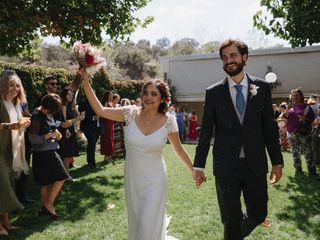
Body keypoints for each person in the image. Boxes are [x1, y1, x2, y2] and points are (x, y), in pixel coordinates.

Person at [79, 70, 194, 240]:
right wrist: (85, 82)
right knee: (137, 222)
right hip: (133, 177)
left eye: (154, 94)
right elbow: (101, 109)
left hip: (156, 179)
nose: (148, 97)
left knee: (148, 223)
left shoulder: (169, 121)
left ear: (162, 99)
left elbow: (178, 149)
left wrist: (194, 170)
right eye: (145, 93)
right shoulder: (130, 113)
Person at [193, 39, 284, 240]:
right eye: (224, 57)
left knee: (259, 213)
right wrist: (198, 166)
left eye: (233, 55)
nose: (229, 60)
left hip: (255, 164)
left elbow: (269, 128)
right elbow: (206, 132)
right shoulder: (213, 92)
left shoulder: (261, 88)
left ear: (245, 57)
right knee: (231, 219)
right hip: (226, 167)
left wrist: (277, 162)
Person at [28, 93, 70, 220]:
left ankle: (43, 210)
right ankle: (49, 204)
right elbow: (33, 139)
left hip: (47, 151)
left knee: (46, 183)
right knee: (62, 176)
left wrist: (57, 135)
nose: (53, 112)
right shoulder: (36, 117)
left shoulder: (45, 114)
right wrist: (50, 135)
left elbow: (53, 132)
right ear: (48, 107)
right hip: (45, 153)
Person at [0, 70, 30, 235]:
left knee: (7, 184)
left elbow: (14, 125)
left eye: (17, 85)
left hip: (8, 151)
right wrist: (10, 126)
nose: (15, 88)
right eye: (11, 84)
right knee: (3, 186)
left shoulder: (15, 105)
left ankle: (6, 223)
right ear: (2, 85)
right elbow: (6, 125)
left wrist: (21, 124)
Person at [283, 89, 317, 176]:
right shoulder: (290, 106)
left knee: (308, 152)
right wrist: (288, 108)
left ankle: (312, 171)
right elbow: (285, 116)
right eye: (293, 95)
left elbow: (312, 118)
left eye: (297, 95)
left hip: (304, 133)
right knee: (295, 152)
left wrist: (304, 119)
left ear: (301, 96)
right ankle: (298, 170)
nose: (295, 97)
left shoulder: (306, 107)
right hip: (291, 133)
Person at [58, 89, 85, 177]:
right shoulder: (63, 106)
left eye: (72, 94)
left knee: (69, 153)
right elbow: (65, 121)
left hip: (70, 130)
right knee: (66, 154)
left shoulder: (69, 106)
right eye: (68, 94)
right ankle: (67, 175)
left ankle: (67, 172)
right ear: (64, 95)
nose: (71, 96)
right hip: (66, 131)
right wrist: (78, 119)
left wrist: (76, 111)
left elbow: (74, 116)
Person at [78, 96, 101, 169]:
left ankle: (91, 162)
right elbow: (82, 115)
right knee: (92, 143)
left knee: (92, 144)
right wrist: (93, 117)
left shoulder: (96, 102)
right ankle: (92, 162)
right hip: (87, 127)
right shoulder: (83, 103)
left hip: (96, 126)